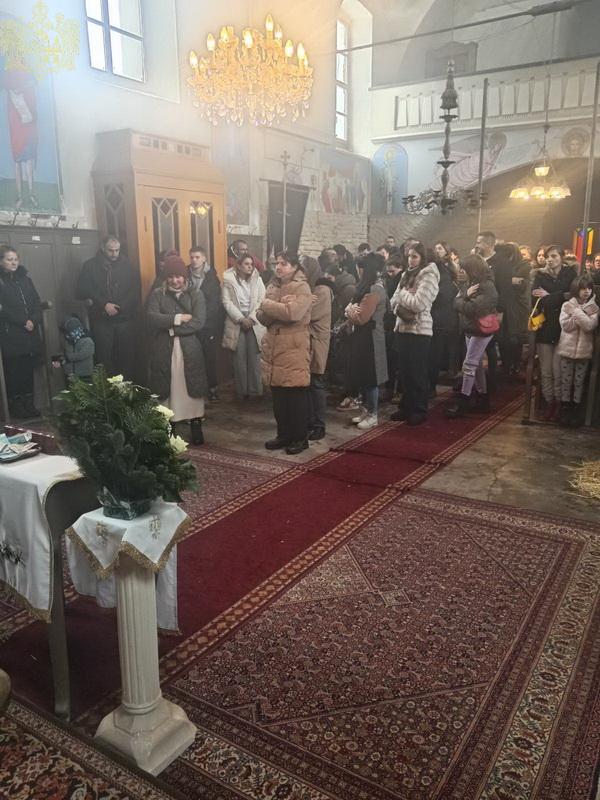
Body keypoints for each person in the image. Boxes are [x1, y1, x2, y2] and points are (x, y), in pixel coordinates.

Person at [146, 254, 207, 445]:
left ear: (185, 277)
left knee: (190, 384)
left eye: (179, 276)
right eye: (171, 276)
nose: (175, 280)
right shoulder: (158, 294)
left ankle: (195, 423)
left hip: (190, 348)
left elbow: (198, 322)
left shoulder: (196, 294)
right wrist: (177, 319)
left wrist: (171, 330)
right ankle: (169, 425)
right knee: (168, 385)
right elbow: (152, 317)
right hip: (164, 349)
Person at [258, 251, 312, 455]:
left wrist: (268, 304)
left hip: (293, 349)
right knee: (279, 398)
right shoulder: (273, 285)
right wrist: (279, 306)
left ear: (295, 266)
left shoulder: (302, 287)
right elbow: (261, 317)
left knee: (294, 397)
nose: (279, 267)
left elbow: (293, 313)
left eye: (284, 264)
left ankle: (300, 438)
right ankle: (284, 435)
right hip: (274, 348)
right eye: (277, 263)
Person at [76, 235, 140, 379]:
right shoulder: (90, 266)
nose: (114, 254)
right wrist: (104, 304)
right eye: (111, 250)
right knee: (104, 359)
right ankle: (108, 391)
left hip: (124, 319)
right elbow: (82, 290)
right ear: (102, 248)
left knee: (127, 358)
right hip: (101, 320)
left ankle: (126, 389)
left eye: (117, 250)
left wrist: (120, 307)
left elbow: (135, 291)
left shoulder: (128, 266)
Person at [390, 242, 440, 425]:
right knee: (405, 372)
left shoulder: (429, 275)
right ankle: (406, 406)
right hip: (403, 328)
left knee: (417, 372)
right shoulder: (406, 274)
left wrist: (403, 294)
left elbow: (419, 304)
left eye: (415, 256)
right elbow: (392, 301)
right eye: (409, 256)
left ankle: (419, 409)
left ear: (423, 258)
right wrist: (406, 295)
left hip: (420, 330)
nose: (411, 260)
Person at [444, 255, 499, 418]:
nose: (461, 271)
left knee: (469, 365)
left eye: (464, 268)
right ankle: (482, 398)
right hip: (470, 328)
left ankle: (464, 400)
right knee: (477, 365)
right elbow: (456, 303)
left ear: (473, 270)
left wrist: (463, 297)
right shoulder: (470, 283)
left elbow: (472, 309)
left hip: (480, 329)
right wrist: (464, 298)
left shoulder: (487, 287)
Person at [531, 245, 578, 421]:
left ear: (561, 257)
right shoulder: (540, 275)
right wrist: (559, 296)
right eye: (547, 256)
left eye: (554, 256)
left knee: (559, 371)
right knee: (546, 370)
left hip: (564, 327)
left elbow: (572, 296)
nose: (550, 259)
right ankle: (549, 402)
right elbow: (536, 298)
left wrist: (549, 296)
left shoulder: (569, 274)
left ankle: (560, 403)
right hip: (545, 326)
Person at [346, 252, 388, 430]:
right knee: (362, 375)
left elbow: (361, 317)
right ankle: (365, 410)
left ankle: (373, 414)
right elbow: (351, 308)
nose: (358, 271)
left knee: (371, 377)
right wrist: (351, 309)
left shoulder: (375, 289)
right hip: (362, 337)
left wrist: (351, 310)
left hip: (371, 338)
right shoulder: (366, 287)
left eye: (360, 267)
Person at [0, 245, 42, 417]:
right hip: (11, 333)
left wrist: (33, 320)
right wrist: (23, 321)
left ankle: (29, 403)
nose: (13, 263)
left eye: (16, 259)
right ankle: (16, 405)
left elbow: (36, 302)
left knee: (27, 369)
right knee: (14, 370)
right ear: (1, 261)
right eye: (9, 259)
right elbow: (3, 309)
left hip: (29, 332)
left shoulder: (25, 279)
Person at [556, 274, 599, 427]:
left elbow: (589, 326)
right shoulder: (566, 305)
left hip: (584, 351)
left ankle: (575, 410)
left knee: (579, 382)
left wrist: (575, 312)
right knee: (566, 381)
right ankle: (565, 409)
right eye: (583, 288)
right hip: (566, 349)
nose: (586, 291)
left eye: (589, 288)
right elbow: (565, 326)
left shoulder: (594, 308)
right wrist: (581, 315)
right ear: (576, 289)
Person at [221, 254, 266, 399]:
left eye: (251, 264)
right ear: (238, 265)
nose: (250, 267)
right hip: (237, 320)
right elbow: (226, 301)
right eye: (246, 264)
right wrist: (240, 318)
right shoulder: (228, 280)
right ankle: (241, 392)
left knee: (254, 357)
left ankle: (255, 391)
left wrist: (252, 318)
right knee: (239, 357)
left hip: (254, 320)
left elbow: (261, 300)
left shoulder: (258, 280)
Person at [304, 256, 333, 441]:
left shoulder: (322, 291)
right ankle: (309, 420)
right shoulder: (311, 290)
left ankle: (319, 425)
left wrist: (302, 302)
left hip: (317, 342)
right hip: (308, 342)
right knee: (308, 384)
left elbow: (308, 315)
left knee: (316, 384)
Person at [188, 246, 222, 402]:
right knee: (192, 358)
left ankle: (212, 388)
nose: (194, 260)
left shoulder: (211, 277)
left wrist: (204, 321)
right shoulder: (185, 274)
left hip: (207, 324)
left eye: (197, 257)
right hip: (189, 323)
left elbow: (214, 303)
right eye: (192, 257)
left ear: (204, 259)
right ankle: (195, 390)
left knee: (209, 357)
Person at [495, 242, 531, 376]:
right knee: (502, 337)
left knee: (515, 337)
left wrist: (510, 281)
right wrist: (511, 280)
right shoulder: (502, 265)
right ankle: (505, 364)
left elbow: (523, 284)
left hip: (518, 307)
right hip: (505, 305)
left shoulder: (525, 266)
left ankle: (515, 364)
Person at [429, 241, 458, 395]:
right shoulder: (438, 270)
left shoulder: (442, 272)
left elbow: (442, 296)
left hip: (440, 318)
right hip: (437, 317)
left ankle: (431, 387)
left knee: (434, 353)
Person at [54, 316, 95, 381]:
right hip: (70, 375)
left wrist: (67, 358)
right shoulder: (68, 341)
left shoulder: (87, 341)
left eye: (70, 332)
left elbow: (81, 355)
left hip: (84, 375)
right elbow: (65, 354)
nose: (68, 335)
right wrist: (60, 361)